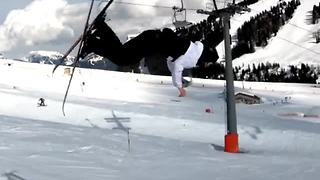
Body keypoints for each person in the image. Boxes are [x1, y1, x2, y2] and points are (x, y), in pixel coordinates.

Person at [80, 17, 219, 97]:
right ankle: (93, 40)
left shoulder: (193, 49)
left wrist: (177, 77)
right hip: (151, 42)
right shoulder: (192, 57)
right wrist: (180, 87)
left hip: (152, 38)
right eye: (209, 62)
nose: (207, 65)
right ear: (206, 58)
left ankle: (97, 33)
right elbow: (177, 66)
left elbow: (172, 62)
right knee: (123, 57)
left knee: (123, 54)